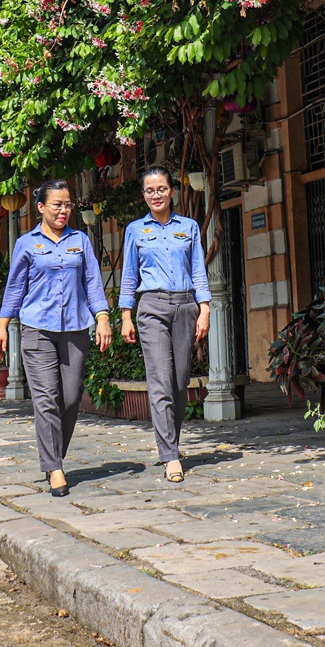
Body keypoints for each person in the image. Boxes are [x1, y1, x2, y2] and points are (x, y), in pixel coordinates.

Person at [0, 179, 112, 497]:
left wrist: (102, 318)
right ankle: (54, 466)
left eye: (68, 204)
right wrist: (3, 325)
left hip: (75, 328)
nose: (64, 210)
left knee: (71, 398)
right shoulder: (26, 244)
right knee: (46, 399)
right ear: (41, 207)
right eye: (58, 204)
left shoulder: (81, 240)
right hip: (37, 330)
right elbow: (15, 287)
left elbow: (92, 282)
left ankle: (52, 455)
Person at [118, 167, 210, 483]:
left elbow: (198, 269)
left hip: (185, 305)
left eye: (161, 189)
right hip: (151, 307)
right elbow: (129, 275)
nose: (156, 195)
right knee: (160, 380)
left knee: (179, 383)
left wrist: (205, 308)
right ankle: (169, 455)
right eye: (149, 190)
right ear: (144, 195)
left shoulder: (189, 227)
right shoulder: (134, 230)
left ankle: (172, 440)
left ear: (172, 191)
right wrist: (126, 314)